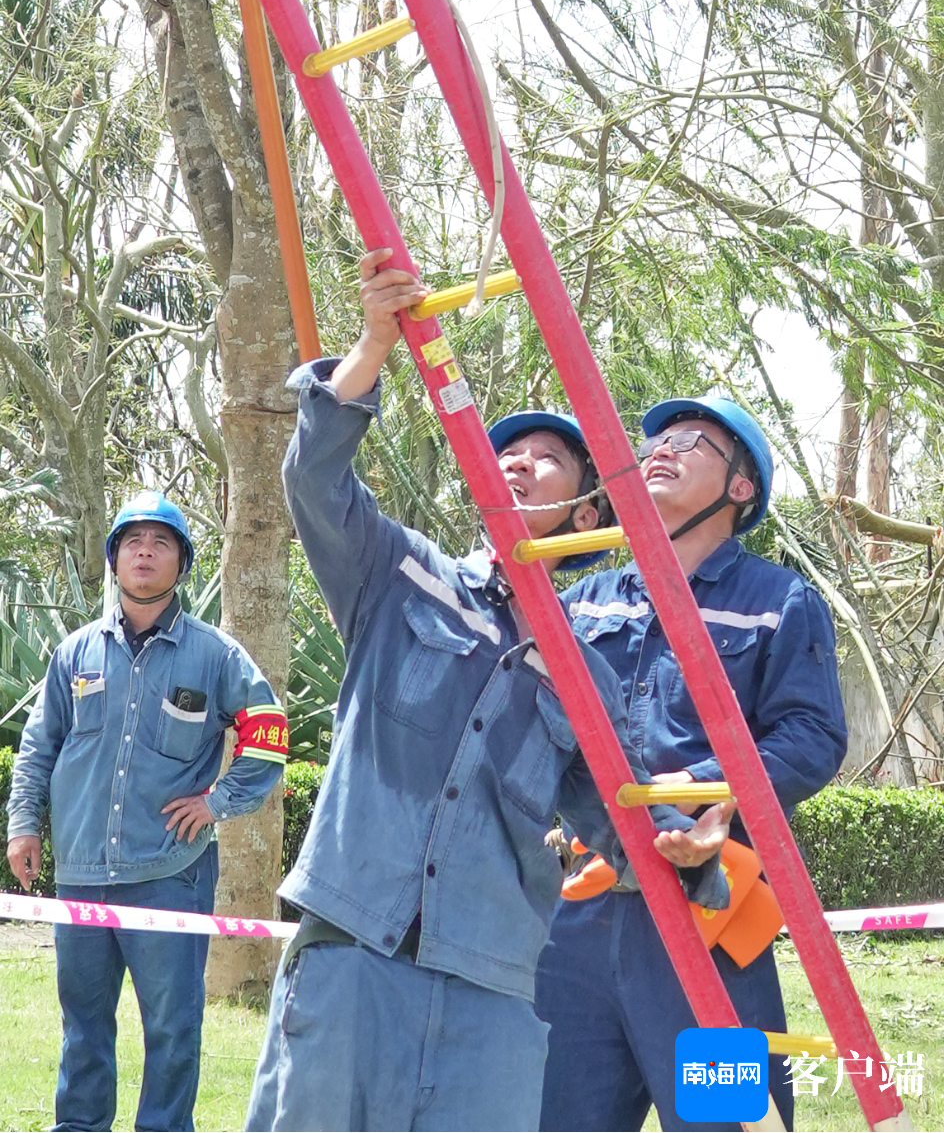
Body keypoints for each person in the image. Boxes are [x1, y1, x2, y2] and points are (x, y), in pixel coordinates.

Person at [244, 251, 735, 1133]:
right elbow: (314, 479)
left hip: (493, 985)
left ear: (587, 515)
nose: (517, 464)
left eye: (546, 460)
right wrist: (373, 344)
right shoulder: (401, 575)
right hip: (355, 949)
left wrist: (686, 850)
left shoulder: (588, 672)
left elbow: (616, 822)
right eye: (505, 451)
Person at [535, 397, 848, 1133]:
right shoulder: (583, 601)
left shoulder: (778, 601)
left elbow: (811, 734)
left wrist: (717, 788)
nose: (660, 449)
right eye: (656, 438)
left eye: (691, 441)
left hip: (712, 912)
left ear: (741, 486)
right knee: (549, 1115)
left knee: (727, 1121)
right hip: (578, 913)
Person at [6, 492, 288, 1133]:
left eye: (161, 542)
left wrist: (218, 802)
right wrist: (24, 824)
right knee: (82, 1018)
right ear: (112, 559)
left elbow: (268, 735)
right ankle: (79, 1126)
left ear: (181, 564)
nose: (144, 551)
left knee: (172, 1026)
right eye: (131, 540)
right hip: (82, 869)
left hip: (170, 874)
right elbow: (39, 745)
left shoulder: (217, 656)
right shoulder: (73, 655)